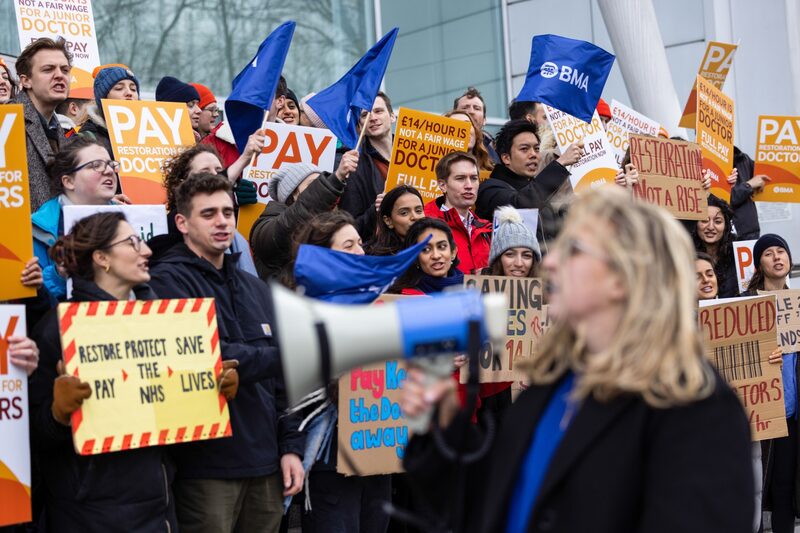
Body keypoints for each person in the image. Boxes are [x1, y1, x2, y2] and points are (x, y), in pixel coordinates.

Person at [401, 186, 754, 533]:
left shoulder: (696, 408)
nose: (550, 261)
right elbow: (490, 506)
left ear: (623, 276)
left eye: (573, 250)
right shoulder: (553, 385)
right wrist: (445, 425)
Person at [29, 211, 236, 531]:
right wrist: (57, 413)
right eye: (133, 242)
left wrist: (213, 391)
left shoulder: (165, 322)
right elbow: (30, 436)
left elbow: (176, 418)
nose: (147, 251)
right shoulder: (58, 330)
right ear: (101, 258)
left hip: (159, 508)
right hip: (89, 516)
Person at [147, 173, 304, 533]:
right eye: (209, 214)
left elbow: (284, 380)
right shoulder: (166, 281)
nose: (222, 221)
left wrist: (291, 446)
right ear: (182, 223)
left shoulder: (253, 286)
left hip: (266, 464)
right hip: (206, 469)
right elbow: (204, 356)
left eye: (228, 212)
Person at [739, 234, 796, 533]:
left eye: (781, 251)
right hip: (760, 412)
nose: (777, 257)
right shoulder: (745, 305)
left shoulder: (797, 304)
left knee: (786, 490)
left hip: (791, 412)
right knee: (755, 492)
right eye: (769, 253)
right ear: (758, 264)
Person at [32, 137, 128, 303]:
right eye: (96, 165)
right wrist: (59, 274)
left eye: (111, 164)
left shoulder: (130, 218)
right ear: (69, 181)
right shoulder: (37, 229)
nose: (109, 171)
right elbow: (28, 297)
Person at [149, 143, 258, 275]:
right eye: (204, 173)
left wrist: (243, 210)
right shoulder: (171, 226)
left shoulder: (249, 284)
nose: (222, 222)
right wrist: (244, 158)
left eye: (218, 171)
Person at [250, 152, 359, 280]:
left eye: (320, 183)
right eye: (312, 185)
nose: (317, 189)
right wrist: (335, 179)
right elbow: (294, 219)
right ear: (293, 195)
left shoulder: (327, 228)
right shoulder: (266, 228)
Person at [475, 119, 582, 224]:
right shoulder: (489, 190)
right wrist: (560, 163)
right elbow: (521, 205)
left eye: (536, 149)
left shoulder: (539, 193)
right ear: (506, 158)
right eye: (524, 149)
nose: (533, 154)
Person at [11, 37, 71, 210]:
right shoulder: (6, 122)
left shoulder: (64, 131)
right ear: (25, 80)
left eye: (65, 69)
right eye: (48, 69)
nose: (59, 75)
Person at [424, 151, 492, 275]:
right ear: (443, 185)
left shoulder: (487, 229)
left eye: (474, 178)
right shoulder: (424, 225)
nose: (469, 185)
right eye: (460, 178)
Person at [338, 91, 394, 238]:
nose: (373, 118)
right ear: (359, 125)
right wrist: (376, 209)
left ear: (393, 116)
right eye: (365, 115)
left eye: (379, 111)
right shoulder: (354, 166)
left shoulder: (412, 151)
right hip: (384, 251)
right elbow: (352, 225)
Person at [391, 218, 464, 295]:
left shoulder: (470, 289)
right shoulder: (405, 296)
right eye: (426, 249)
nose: (436, 256)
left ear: (453, 252)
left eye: (442, 246)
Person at [79, 64, 140, 154]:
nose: (129, 93)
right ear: (104, 98)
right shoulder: (86, 139)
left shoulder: (156, 135)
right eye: (119, 88)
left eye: (133, 89)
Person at [691, 195, 738, 297]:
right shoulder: (685, 255)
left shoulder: (738, 255)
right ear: (696, 224)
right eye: (704, 221)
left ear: (726, 226)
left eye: (717, 221)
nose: (711, 227)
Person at [365, 185, 424, 256]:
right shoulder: (376, 260)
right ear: (388, 221)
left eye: (418, 211)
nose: (415, 217)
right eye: (404, 213)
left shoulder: (434, 250)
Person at [453, 87, 499, 163]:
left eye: (477, 108)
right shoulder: (439, 143)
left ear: (484, 120)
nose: (471, 112)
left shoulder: (496, 150)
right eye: (464, 108)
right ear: (453, 116)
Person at [728, 146, 766, 240]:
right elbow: (722, 199)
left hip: (749, 231)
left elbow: (765, 174)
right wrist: (749, 185)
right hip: (726, 232)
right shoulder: (707, 161)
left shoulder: (742, 158)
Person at [443, 109, 494, 174]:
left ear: (476, 132)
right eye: (455, 125)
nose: (463, 129)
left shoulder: (493, 171)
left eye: (467, 124)